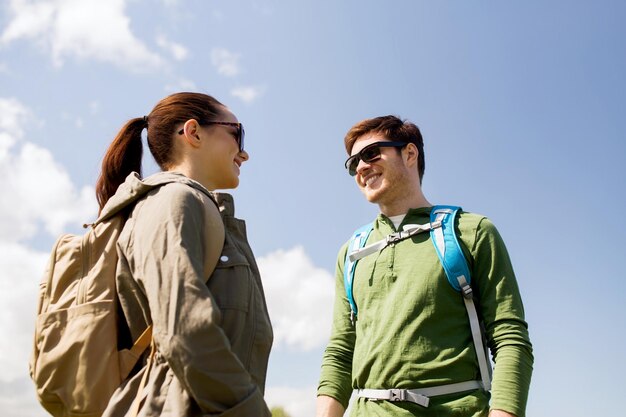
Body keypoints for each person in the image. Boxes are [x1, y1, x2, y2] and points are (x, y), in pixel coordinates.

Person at [317, 116, 533, 417]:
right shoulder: (351, 252)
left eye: (371, 154)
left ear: (409, 154)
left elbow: (510, 337)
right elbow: (341, 351)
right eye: (353, 163)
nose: (361, 168)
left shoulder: (471, 231)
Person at [96, 92, 273, 416]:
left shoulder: (197, 207)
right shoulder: (174, 201)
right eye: (237, 133)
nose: (244, 153)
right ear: (193, 133)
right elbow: (184, 327)